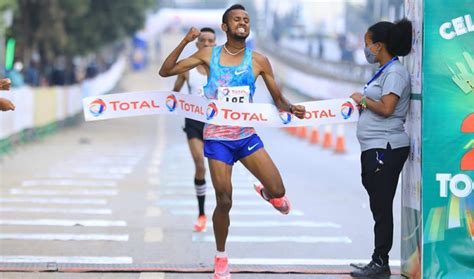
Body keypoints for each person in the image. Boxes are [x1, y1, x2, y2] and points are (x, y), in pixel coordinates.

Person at [159, 4, 306, 279]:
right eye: (237, 19)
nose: (243, 22)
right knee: (224, 199)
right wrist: (185, 41)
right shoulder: (208, 54)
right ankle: (221, 257)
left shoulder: (259, 60)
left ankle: (265, 193)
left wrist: (291, 107)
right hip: (217, 138)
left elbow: (278, 98)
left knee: (279, 190)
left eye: (246, 19)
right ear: (225, 27)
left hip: (246, 136)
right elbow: (166, 71)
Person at [349, 19, 412, 277]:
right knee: (378, 205)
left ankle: (380, 262)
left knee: (382, 206)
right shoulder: (385, 71)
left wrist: (362, 99)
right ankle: (377, 259)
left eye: (367, 44)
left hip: (385, 146)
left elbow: (387, 108)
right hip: (374, 146)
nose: (365, 50)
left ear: (379, 45)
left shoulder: (395, 72)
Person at [172, 27, 217, 232]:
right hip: (194, 124)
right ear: (198, 45)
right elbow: (174, 94)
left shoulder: (220, 69)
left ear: (216, 45)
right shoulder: (188, 70)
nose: (207, 44)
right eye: (203, 41)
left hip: (216, 125)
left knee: (219, 174)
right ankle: (201, 214)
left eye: (211, 41)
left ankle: (219, 209)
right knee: (200, 164)